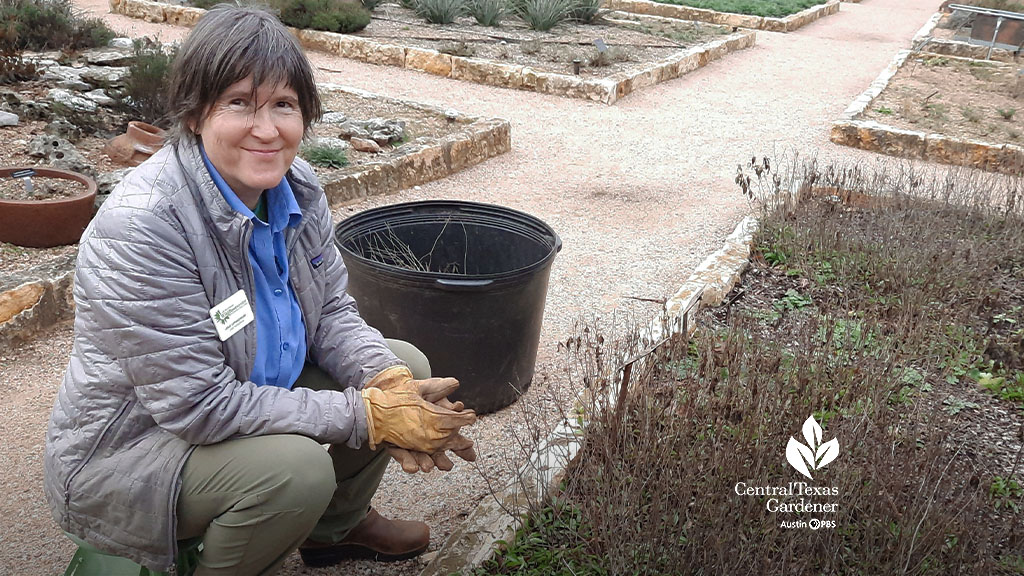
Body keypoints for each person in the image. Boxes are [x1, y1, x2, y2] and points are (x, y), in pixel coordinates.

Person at [43, 5, 478, 575]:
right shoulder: (145, 225)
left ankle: (334, 530)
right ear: (197, 114)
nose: (267, 129)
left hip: (238, 386)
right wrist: (367, 417)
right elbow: (197, 405)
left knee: (401, 362)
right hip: (136, 448)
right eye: (239, 103)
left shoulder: (296, 188)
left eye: (283, 105)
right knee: (296, 470)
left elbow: (329, 314)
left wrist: (388, 386)